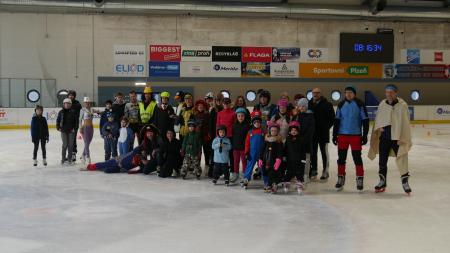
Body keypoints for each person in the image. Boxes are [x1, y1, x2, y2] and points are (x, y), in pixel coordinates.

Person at [368, 84, 412, 195]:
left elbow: (405, 122)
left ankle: (405, 182)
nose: (389, 94)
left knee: (402, 159)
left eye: (391, 92)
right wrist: (379, 127)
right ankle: (382, 182)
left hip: (397, 138)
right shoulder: (382, 104)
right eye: (387, 92)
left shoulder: (402, 105)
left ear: (396, 93)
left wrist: (402, 136)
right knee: (382, 162)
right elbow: (378, 119)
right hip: (385, 138)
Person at [332, 85, 369, 192]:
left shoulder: (360, 104)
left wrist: (365, 135)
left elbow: (365, 121)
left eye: (350, 92)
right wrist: (334, 135)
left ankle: (360, 178)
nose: (348, 94)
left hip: (355, 135)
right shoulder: (341, 104)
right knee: (341, 158)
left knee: (357, 157)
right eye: (346, 92)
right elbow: (337, 120)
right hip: (342, 135)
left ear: (354, 94)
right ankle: (340, 177)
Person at [308, 88, 335, 181]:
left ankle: (325, 171)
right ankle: (314, 170)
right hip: (312, 134)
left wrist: (325, 127)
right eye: (314, 93)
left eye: (317, 93)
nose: (315, 94)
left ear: (321, 93)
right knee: (313, 153)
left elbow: (332, 119)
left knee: (324, 152)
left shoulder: (327, 105)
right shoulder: (309, 104)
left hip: (323, 133)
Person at [292, 98, 315, 182]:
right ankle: (298, 175)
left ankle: (306, 175)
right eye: (300, 106)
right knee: (298, 159)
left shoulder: (310, 116)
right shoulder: (296, 116)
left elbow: (310, 130)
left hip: (306, 143)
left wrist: (303, 139)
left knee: (306, 159)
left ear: (306, 107)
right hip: (297, 143)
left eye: (303, 106)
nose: (301, 108)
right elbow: (293, 128)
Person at [241, 110, 265, 189]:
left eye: (258, 122)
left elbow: (266, 142)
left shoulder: (263, 132)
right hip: (252, 153)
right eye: (255, 122)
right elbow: (247, 143)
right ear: (253, 123)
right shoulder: (250, 132)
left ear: (260, 123)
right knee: (249, 166)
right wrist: (247, 152)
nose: (257, 124)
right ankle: (246, 179)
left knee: (262, 167)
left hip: (261, 153)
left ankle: (267, 181)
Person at [258, 121, 284, 193]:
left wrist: (278, 159)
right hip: (266, 161)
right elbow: (262, 150)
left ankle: (271, 185)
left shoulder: (278, 141)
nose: (273, 132)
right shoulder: (266, 141)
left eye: (275, 131)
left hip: (274, 161)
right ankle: (270, 184)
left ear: (278, 131)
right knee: (267, 173)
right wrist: (260, 158)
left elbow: (280, 151)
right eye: (272, 130)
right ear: (269, 131)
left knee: (273, 173)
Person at [283, 121, 306, 195]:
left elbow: (303, 150)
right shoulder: (288, 139)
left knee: (299, 173)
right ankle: (286, 183)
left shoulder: (301, 139)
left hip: (299, 160)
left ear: (298, 131)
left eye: (295, 130)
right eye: (292, 130)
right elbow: (285, 149)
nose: (293, 132)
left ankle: (299, 184)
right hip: (290, 160)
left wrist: (303, 159)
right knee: (289, 172)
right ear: (290, 131)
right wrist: (284, 157)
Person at [216, 97, 236, 174]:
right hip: (221, 137)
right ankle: (222, 169)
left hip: (230, 136)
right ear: (222, 104)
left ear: (230, 104)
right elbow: (217, 125)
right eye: (224, 103)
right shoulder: (220, 113)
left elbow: (234, 125)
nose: (226, 105)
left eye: (227, 103)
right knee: (222, 153)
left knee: (231, 154)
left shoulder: (233, 113)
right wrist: (217, 135)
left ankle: (232, 170)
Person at [57, 98, 78, 165]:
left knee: (70, 145)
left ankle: (69, 159)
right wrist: (58, 127)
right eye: (66, 103)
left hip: (71, 131)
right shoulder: (61, 112)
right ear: (64, 104)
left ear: (70, 104)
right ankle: (63, 159)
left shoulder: (73, 112)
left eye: (68, 103)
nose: (67, 105)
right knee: (65, 145)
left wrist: (74, 128)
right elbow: (58, 120)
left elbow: (76, 122)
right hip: (63, 130)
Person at [231, 108, 251, 183]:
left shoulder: (248, 126)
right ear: (237, 116)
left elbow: (249, 138)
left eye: (242, 116)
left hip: (244, 148)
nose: (240, 117)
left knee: (244, 161)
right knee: (235, 161)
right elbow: (233, 135)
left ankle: (244, 174)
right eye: (239, 116)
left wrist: (248, 148)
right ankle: (236, 173)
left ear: (244, 116)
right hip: (236, 147)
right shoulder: (234, 125)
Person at [207, 93, 223, 177]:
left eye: (220, 100)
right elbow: (210, 123)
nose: (219, 102)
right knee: (213, 153)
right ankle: (212, 171)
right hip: (214, 134)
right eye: (217, 100)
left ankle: (221, 170)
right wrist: (210, 133)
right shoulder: (213, 110)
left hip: (222, 135)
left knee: (222, 153)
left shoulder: (224, 109)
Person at [193, 99, 211, 173]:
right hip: (197, 136)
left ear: (204, 107)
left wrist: (209, 134)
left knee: (207, 152)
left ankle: (207, 166)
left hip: (205, 136)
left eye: (202, 106)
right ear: (197, 107)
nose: (200, 107)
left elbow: (210, 125)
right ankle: (197, 166)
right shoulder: (195, 115)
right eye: (199, 106)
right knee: (198, 152)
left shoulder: (207, 115)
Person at [79, 97, 95, 164]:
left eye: (88, 103)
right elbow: (80, 120)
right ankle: (88, 158)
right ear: (84, 103)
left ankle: (83, 155)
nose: (87, 104)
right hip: (85, 127)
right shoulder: (82, 110)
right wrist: (80, 127)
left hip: (91, 127)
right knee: (86, 143)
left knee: (88, 143)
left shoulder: (92, 109)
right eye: (86, 103)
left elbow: (98, 111)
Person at [67, 90, 82, 162]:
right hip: (66, 125)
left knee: (72, 140)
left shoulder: (77, 104)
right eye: (70, 95)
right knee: (67, 140)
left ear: (74, 96)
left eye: (72, 95)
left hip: (74, 125)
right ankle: (69, 154)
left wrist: (76, 126)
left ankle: (73, 153)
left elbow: (78, 115)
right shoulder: (66, 102)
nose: (71, 96)